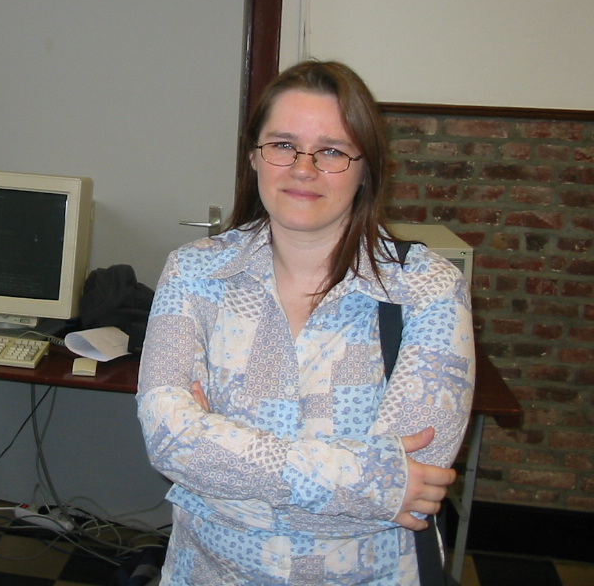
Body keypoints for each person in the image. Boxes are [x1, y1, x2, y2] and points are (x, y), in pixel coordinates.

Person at [137, 60, 475, 585]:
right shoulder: (194, 272)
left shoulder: (427, 288)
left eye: (332, 151)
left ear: (366, 168)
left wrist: (220, 455)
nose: (303, 168)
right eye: (283, 145)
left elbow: (417, 479)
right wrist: (369, 479)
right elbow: (168, 440)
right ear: (254, 155)